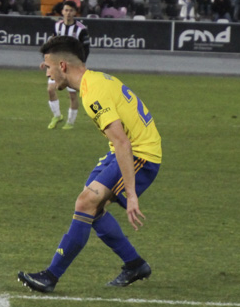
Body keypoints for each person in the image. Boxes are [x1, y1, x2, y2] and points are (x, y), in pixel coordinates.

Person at [18, 35, 162, 293]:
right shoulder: (94, 80)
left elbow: (123, 144)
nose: (48, 74)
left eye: (49, 67)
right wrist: (48, 60)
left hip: (141, 155)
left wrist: (131, 196)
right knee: (90, 210)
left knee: (86, 203)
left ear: (63, 66)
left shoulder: (93, 93)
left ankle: (50, 276)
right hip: (123, 150)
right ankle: (134, 263)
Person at [46, 1, 88, 130]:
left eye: (71, 10)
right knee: (51, 89)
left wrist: (81, 64)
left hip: (73, 66)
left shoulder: (81, 29)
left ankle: (70, 122)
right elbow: (52, 43)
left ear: (75, 12)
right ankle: (57, 115)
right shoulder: (57, 26)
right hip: (58, 64)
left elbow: (86, 48)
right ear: (62, 12)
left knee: (72, 95)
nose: (68, 13)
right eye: (66, 10)